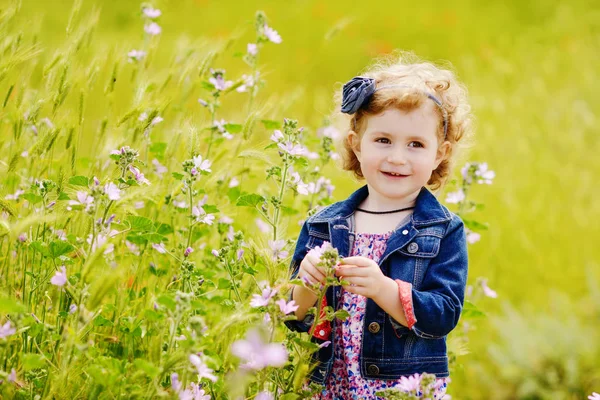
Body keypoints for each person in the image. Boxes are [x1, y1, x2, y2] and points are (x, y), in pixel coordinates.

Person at [284, 51, 474, 399]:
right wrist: (308, 284)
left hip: (399, 390)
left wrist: (384, 289)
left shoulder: (443, 230)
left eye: (416, 144)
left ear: (439, 154)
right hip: (327, 386)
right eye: (383, 140)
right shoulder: (322, 225)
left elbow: (443, 314)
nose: (397, 157)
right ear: (356, 145)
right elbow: (291, 315)